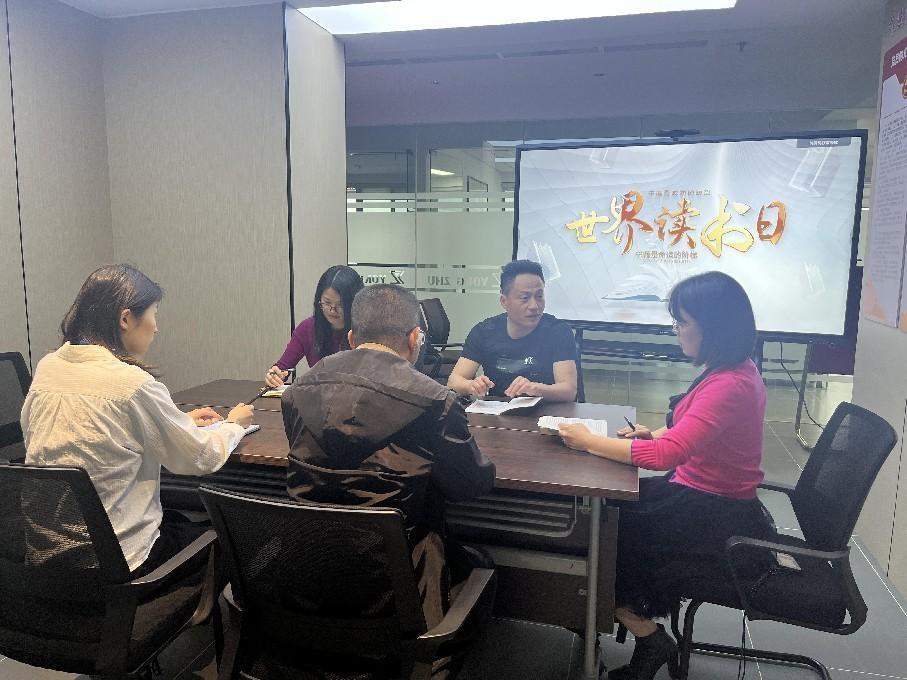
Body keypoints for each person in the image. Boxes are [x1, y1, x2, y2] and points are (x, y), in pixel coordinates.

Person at [558, 271, 772, 680]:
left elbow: (665, 455)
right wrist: (651, 434)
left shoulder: (730, 384)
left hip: (712, 513)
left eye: (682, 322)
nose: (676, 330)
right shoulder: (731, 370)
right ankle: (618, 622)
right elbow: (682, 431)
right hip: (698, 493)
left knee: (604, 535)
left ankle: (646, 634)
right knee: (606, 510)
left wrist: (588, 441)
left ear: (712, 328)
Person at [282, 284, 496, 632]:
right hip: (400, 595)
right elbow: (472, 484)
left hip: (308, 582)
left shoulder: (297, 391)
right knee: (478, 561)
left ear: (351, 337)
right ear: (414, 338)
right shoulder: (435, 400)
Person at [21, 264, 255, 575]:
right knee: (230, 539)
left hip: (48, 559)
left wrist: (176, 421)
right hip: (119, 562)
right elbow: (200, 456)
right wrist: (234, 425)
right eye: (153, 314)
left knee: (179, 520)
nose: (155, 328)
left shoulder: (48, 368)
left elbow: (87, 430)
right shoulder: (132, 384)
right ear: (126, 319)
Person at [447, 259, 577, 401]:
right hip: (496, 410)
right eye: (524, 298)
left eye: (539, 296)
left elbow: (568, 390)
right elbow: (454, 381)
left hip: (545, 410)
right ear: (504, 301)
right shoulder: (484, 332)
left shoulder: (557, 331)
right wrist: (471, 385)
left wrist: (536, 389)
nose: (534, 306)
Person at [264, 265, 364, 387]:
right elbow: (283, 367)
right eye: (327, 302)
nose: (332, 310)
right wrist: (274, 376)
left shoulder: (366, 330)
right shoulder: (307, 328)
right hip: (320, 396)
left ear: (354, 303)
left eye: (341, 304)